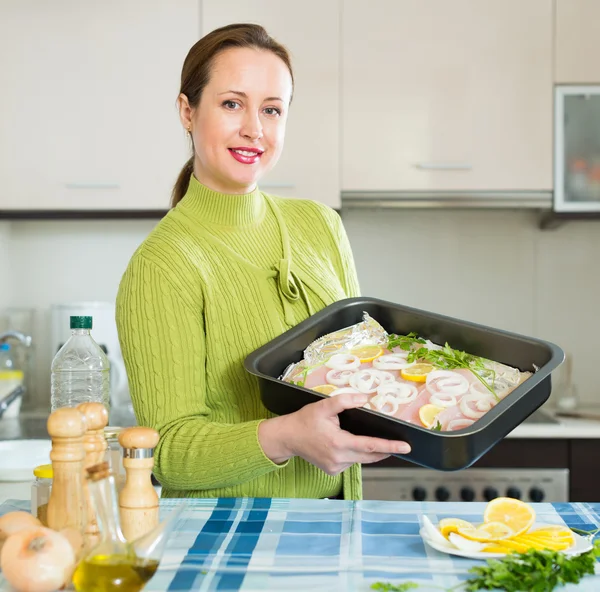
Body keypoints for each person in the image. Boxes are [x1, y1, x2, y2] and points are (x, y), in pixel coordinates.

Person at [115, 23, 410, 500]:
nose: (254, 128)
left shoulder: (321, 226)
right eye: (232, 104)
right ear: (187, 112)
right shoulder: (163, 264)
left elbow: (363, 364)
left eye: (271, 110)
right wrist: (286, 436)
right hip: (224, 543)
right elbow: (168, 453)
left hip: (335, 528)